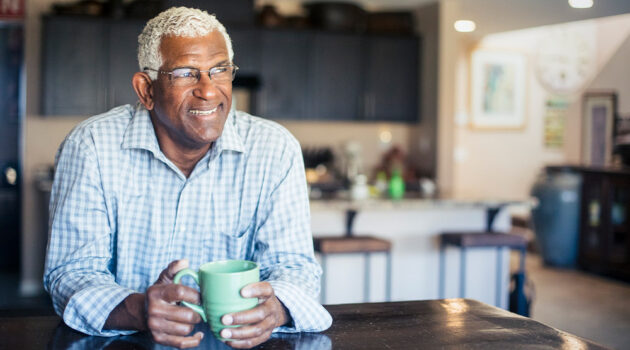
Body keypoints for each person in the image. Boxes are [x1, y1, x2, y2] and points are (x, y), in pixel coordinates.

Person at [43, 7, 332, 349]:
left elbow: (294, 266)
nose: (208, 90)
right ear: (146, 90)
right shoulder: (91, 147)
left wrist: (278, 308)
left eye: (219, 70)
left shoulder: (274, 149)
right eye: (185, 73)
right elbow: (71, 274)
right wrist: (138, 310)